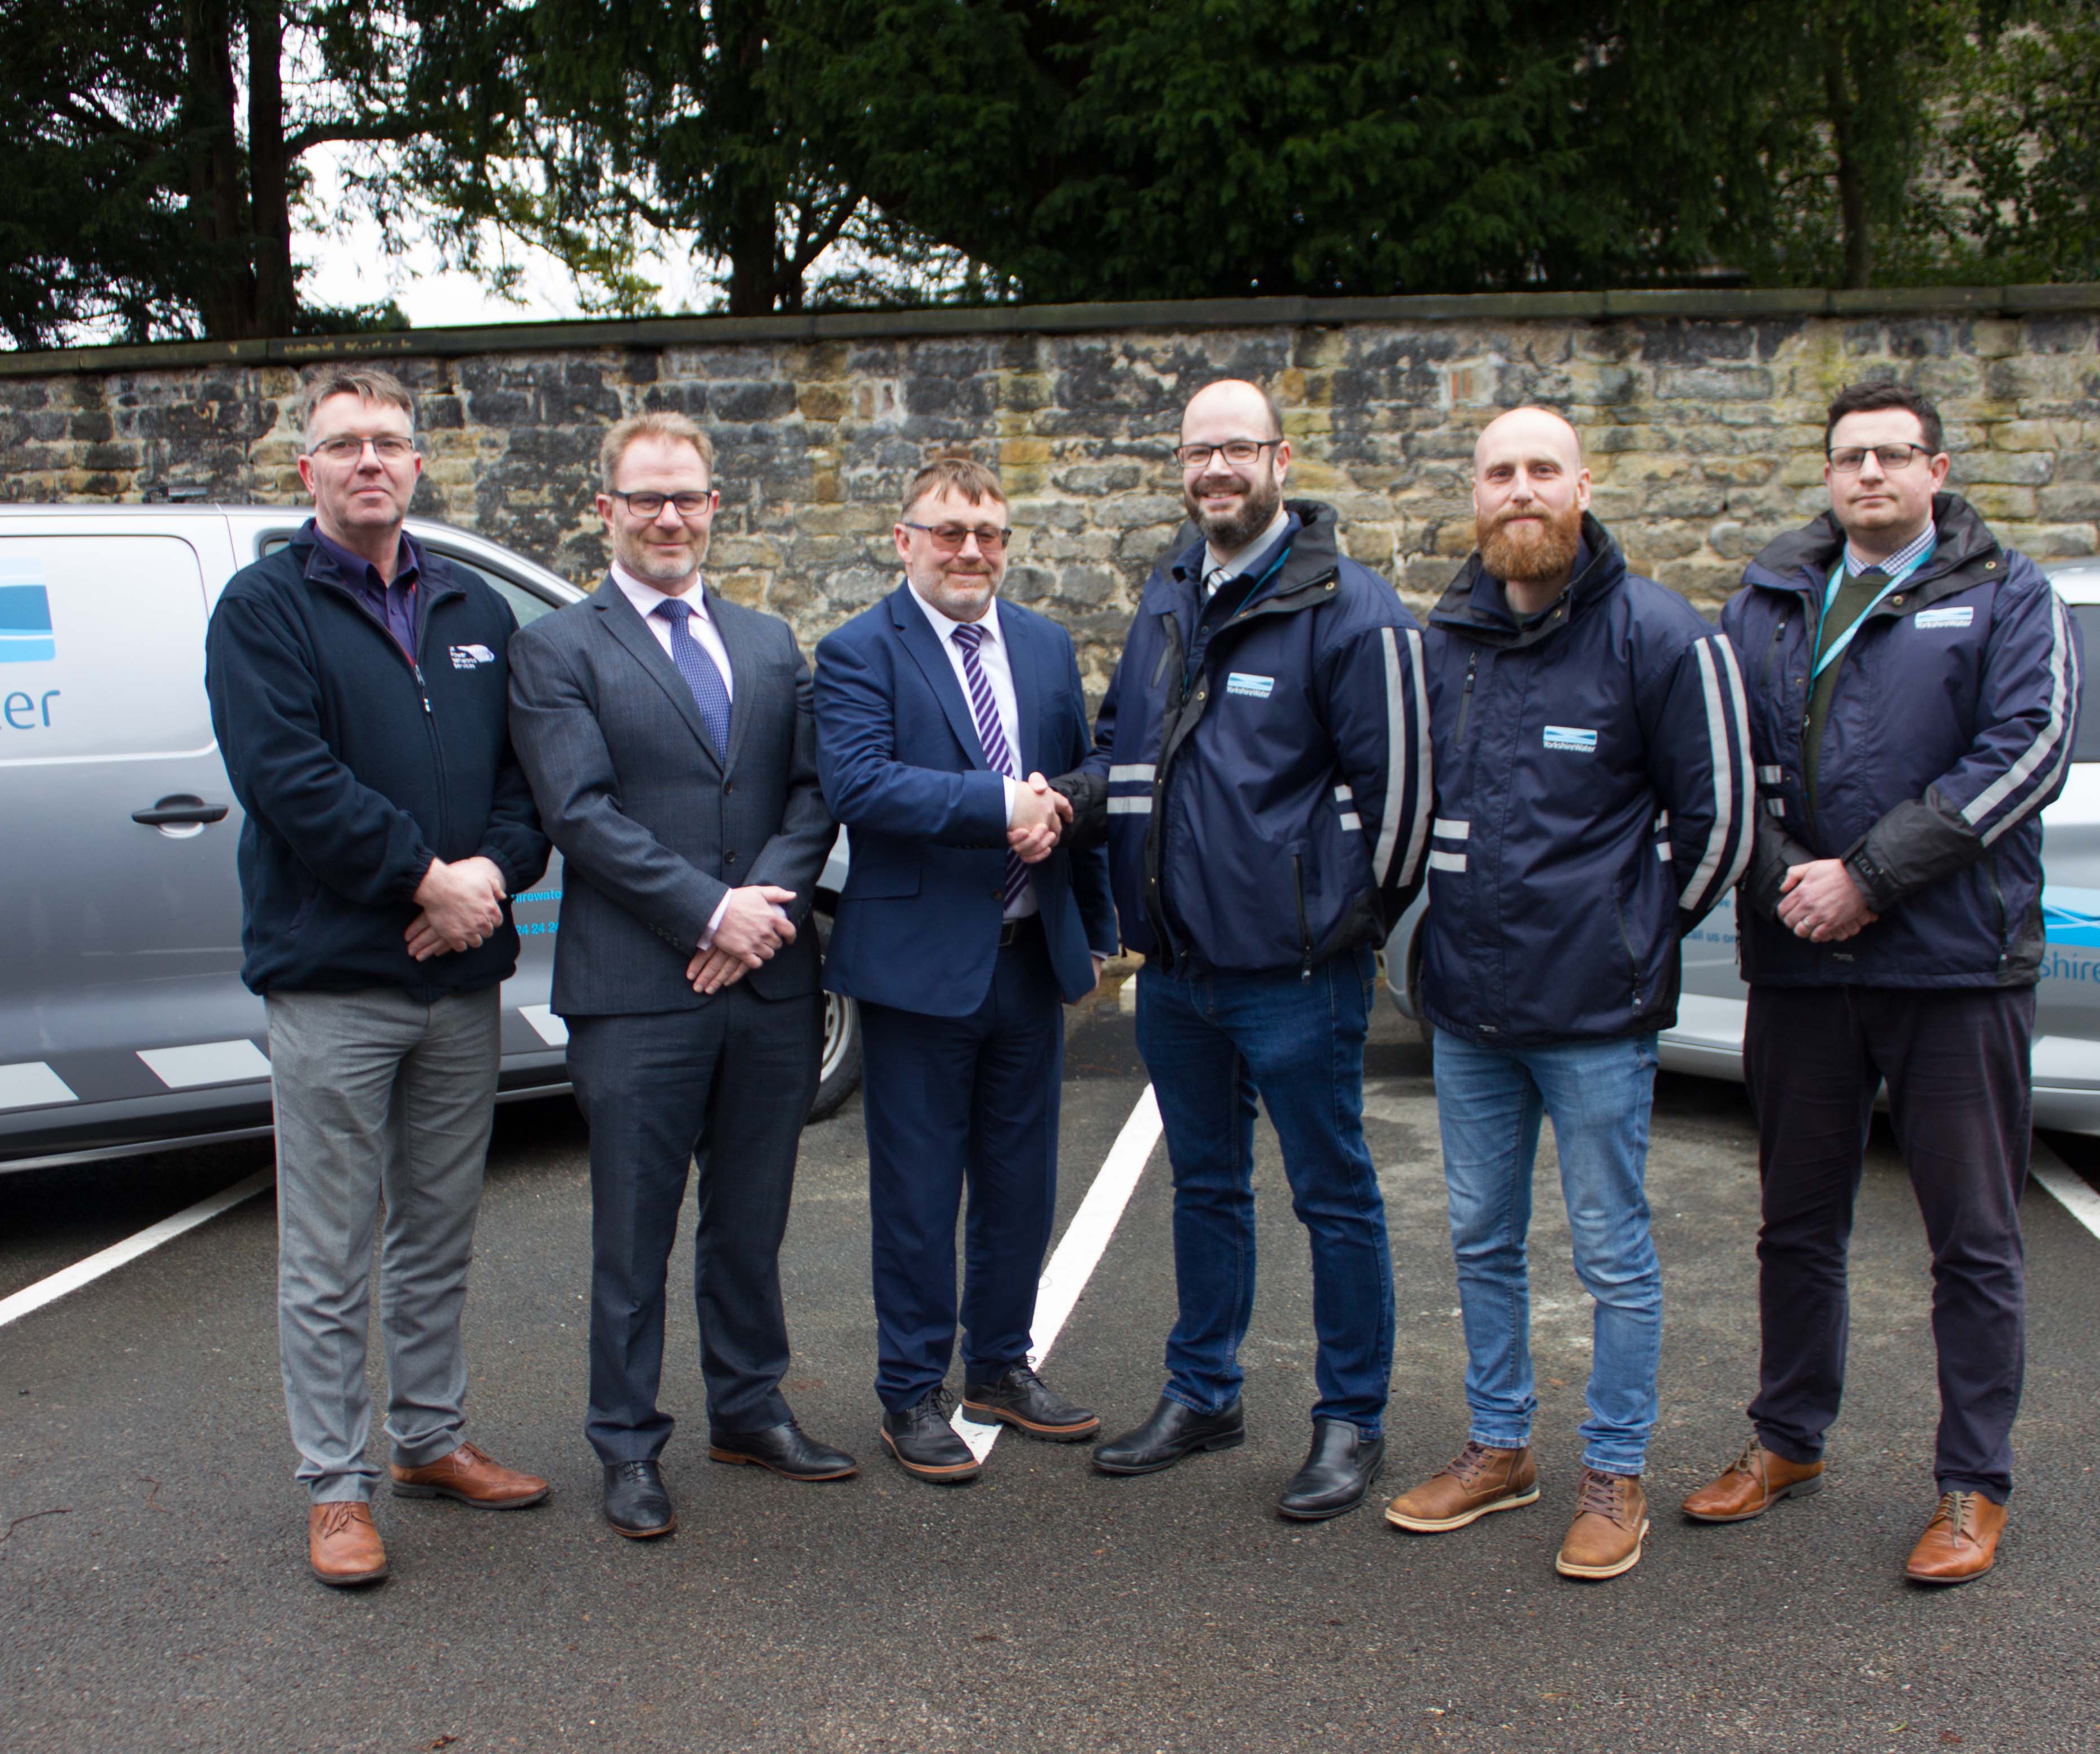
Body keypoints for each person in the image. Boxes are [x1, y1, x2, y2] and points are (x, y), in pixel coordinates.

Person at [1687, 377, 2078, 1586]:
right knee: (1796, 1224)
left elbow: (2029, 753)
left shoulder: (2009, 595)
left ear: (1937, 473)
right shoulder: (1767, 601)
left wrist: (1866, 877)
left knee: (1972, 1237)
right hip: (1804, 965)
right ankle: (1788, 1440)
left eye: (1894, 457)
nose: (1870, 475)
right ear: (1827, 474)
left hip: (1954, 969)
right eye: (1850, 456)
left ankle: (1971, 1484)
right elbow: (1722, 766)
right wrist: (1788, 878)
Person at [1381, 407, 1752, 1581]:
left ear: (1585, 484)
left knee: (1612, 1253)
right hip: (1472, 1014)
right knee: (1483, 1236)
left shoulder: (1658, 635)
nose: (1522, 490)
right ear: (1475, 492)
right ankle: (1501, 1449)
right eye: (1501, 473)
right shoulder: (1448, 641)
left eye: (1544, 469)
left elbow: (1722, 822)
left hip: (1596, 1016)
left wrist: (1637, 938)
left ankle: (1613, 1469)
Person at [204, 369, 552, 1590]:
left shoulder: (476, 611)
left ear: (418, 465)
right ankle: (336, 1488)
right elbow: (287, 781)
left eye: (389, 442)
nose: (369, 461)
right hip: (337, 983)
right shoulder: (263, 610)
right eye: (342, 444)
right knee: (330, 1248)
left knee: (439, 1231)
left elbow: (527, 787)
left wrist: (484, 887)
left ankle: (430, 1440)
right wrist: (423, 881)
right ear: (307, 471)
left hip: (460, 977)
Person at [1065, 378, 1431, 1522]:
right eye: (1197, 452)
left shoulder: (1351, 609)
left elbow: (1405, 799)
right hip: (1176, 969)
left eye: (1237, 449)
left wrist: (1338, 922)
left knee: (1334, 1196)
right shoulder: (1170, 592)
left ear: (1279, 458)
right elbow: (1130, 751)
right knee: (1206, 1187)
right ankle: (1204, 1391)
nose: (1216, 470)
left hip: (1297, 974)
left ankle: (1352, 1420)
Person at [506, 410, 851, 1542]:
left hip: (764, 989)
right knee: (634, 1234)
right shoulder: (559, 648)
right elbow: (580, 812)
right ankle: (626, 1443)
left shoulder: (765, 642)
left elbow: (813, 795)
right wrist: (708, 909)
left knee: (750, 1221)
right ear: (605, 509)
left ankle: (749, 1408)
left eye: (688, 496)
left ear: (714, 506)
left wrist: (755, 914)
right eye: (646, 496)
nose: (669, 516)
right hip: (637, 994)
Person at [812, 455, 1120, 1483]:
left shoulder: (1040, 643)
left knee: (1022, 1184)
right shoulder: (859, 651)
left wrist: (1059, 809)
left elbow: (1082, 769)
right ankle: (910, 1392)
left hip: (1029, 960)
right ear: (904, 541)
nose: (971, 552)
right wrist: (1002, 808)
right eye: (948, 532)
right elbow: (859, 783)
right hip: (918, 974)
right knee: (917, 1193)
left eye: (988, 533)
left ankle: (998, 1366)